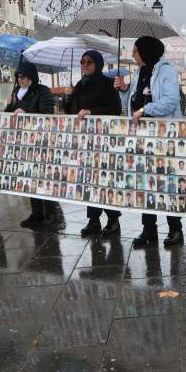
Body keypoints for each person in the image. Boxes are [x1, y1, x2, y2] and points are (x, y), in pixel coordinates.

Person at [117, 35, 184, 247]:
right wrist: (123, 90)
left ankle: (175, 229)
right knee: (145, 183)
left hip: (163, 136)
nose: (133, 54)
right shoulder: (138, 73)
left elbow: (171, 102)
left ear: (145, 52)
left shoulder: (166, 71)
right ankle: (149, 229)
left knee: (167, 183)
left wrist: (147, 110)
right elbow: (131, 103)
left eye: (135, 51)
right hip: (142, 136)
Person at [66, 49, 124, 237]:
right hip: (85, 141)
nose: (85, 65)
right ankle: (93, 220)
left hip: (104, 140)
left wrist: (92, 112)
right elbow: (71, 112)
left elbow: (115, 109)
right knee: (88, 180)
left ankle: (113, 219)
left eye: (89, 62)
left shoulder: (108, 83)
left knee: (105, 180)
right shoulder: (79, 85)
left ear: (97, 64)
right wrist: (68, 96)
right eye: (82, 62)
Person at [4, 59, 57, 227]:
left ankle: (51, 212)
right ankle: (36, 213)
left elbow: (47, 112)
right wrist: (9, 106)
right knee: (30, 178)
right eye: (18, 76)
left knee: (43, 177)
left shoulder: (42, 91)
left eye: (24, 76)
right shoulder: (16, 94)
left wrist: (26, 111)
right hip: (23, 143)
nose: (20, 79)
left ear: (32, 77)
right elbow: (8, 118)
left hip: (41, 142)